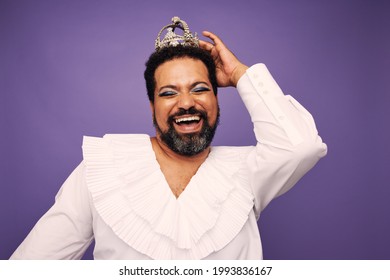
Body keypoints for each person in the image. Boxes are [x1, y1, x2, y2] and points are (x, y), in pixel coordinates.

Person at [10, 17, 327, 260]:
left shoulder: (247, 169)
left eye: (200, 89)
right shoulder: (102, 167)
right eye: (169, 93)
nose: (186, 102)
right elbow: (30, 267)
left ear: (217, 99)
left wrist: (240, 75)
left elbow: (301, 147)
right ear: (152, 106)